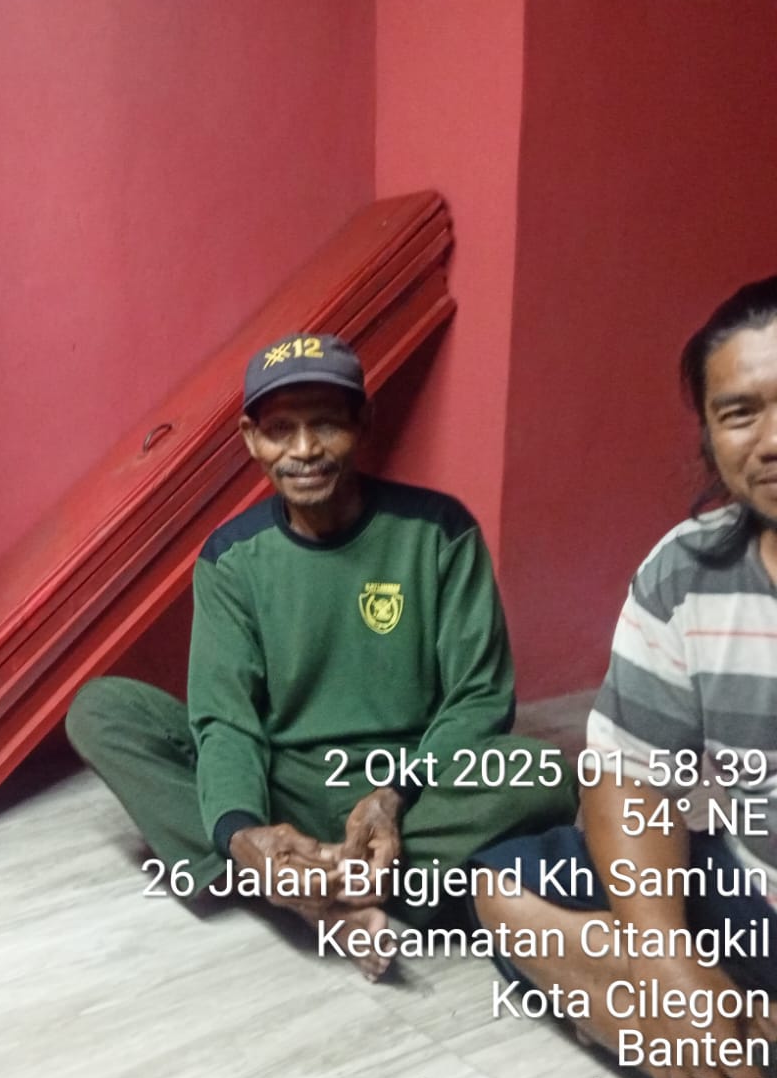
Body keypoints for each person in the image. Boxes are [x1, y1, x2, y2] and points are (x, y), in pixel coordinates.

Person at [66, 333, 576, 978]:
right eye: (281, 430)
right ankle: (320, 887)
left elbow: (480, 697)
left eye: (326, 424)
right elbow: (225, 719)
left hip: (412, 786)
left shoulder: (440, 531)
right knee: (102, 710)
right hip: (286, 782)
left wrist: (393, 794)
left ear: (362, 422)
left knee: (543, 773)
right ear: (252, 439)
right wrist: (245, 830)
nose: (304, 450)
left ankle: (310, 885)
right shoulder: (232, 557)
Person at [473, 278, 777, 1078]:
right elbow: (629, 778)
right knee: (508, 886)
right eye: (740, 412)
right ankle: (724, 1048)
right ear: (708, 433)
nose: (772, 440)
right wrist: (668, 962)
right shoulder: (688, 572)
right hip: (755, 891)